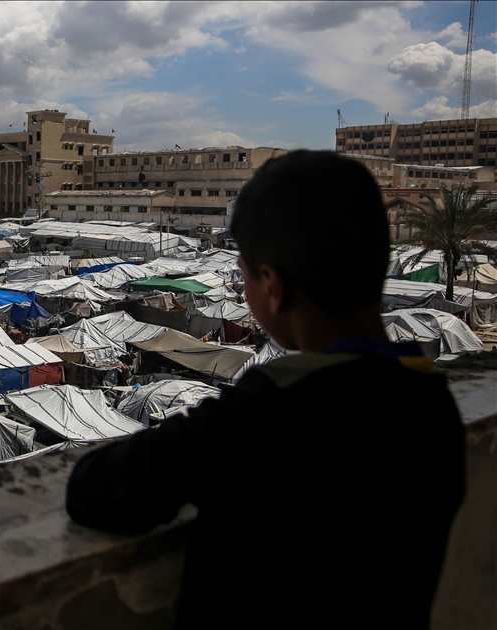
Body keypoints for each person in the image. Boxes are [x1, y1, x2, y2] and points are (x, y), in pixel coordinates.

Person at [66, 150, 465, 627]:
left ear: (272, 286)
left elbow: (98, 488)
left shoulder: (272, 413)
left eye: (247, 274)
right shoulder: (432, 405)